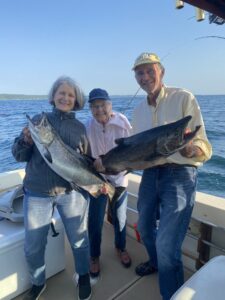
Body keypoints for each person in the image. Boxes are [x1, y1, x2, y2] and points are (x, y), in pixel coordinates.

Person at [131, 52, 212, 300]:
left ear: (161, 72)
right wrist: (113, 164)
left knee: (167, 246)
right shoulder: (137, 112)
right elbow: (136, 152)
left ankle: (172, 294)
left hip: (180, 174)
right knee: (144, 228)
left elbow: (204, 147)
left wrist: (189, 149)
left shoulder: (183, 98)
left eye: (150, 71)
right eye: (140, 73)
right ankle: (155, 263)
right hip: (149, 174)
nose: (145, 77)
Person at [12, 76, 92, 300]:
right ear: (53, 96)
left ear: (76, 100)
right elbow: (18, 155)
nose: (65, 98)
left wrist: (98, 183)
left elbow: (85, 162)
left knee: (79, 239)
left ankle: (83, 276)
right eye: (61, 93)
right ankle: (38, 282)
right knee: (34, 245)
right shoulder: (39, 120)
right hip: (37, 193)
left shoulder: (80, 129)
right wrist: (25, 141)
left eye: (70, 94)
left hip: (71, 193)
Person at [85, 88, 132, 281]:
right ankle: (94, 256)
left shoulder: (123, 122)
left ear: (110, 105)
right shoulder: (87, 125)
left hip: (119, 179)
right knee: (94, 222)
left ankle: (120, 247)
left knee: (120, 218)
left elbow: (132, 151)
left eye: (103, 105)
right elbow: (85, 154)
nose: (99, 110)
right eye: (94, 106)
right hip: (97, 181)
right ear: (90, 109)